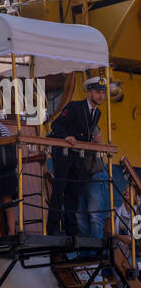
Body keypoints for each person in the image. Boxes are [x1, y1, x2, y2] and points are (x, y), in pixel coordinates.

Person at [47, 76, 107, 236]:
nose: (101, 96)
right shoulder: (74, 107)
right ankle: (52, 227)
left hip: (78, 157)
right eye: (97, 92)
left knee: (73, 193)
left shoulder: (97, 113)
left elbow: (84, 132)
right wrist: (66, 136)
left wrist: (91, 140)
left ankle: (71, 229)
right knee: (59, 190)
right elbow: (56, 125)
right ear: (89, 93)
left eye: (103, 93)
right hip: (64, 154)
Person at [103, 185, 141, 288]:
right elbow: (107, 230)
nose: (125, 191)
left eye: (129, 190)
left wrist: (131, 239)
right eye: (125, 190)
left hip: (133, 252)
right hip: (118, 250)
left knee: (133, 276)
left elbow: (138, 238)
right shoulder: (115, 211)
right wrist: (121, 238)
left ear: (136, 196)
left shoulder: (137, 213)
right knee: (118, 278)